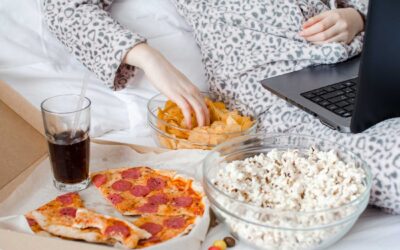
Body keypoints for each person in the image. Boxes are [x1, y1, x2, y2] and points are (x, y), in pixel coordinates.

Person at [43, 0, 400, 214]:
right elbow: (64, 9)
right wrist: (150, 59)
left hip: (368, 63)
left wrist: (357, 15)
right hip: (277, 98)